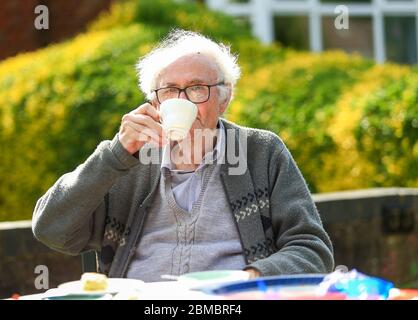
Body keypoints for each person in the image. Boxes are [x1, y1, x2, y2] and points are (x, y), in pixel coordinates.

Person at [32, 29, 334, 282]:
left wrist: (253, 276)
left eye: (197, 88)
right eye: (170, 90)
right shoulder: (127, 162)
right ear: (155, 102)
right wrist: (115, 154)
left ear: (224, 99)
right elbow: (51, 230)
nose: (183, 100)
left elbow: (312, 250)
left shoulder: (260, 152)